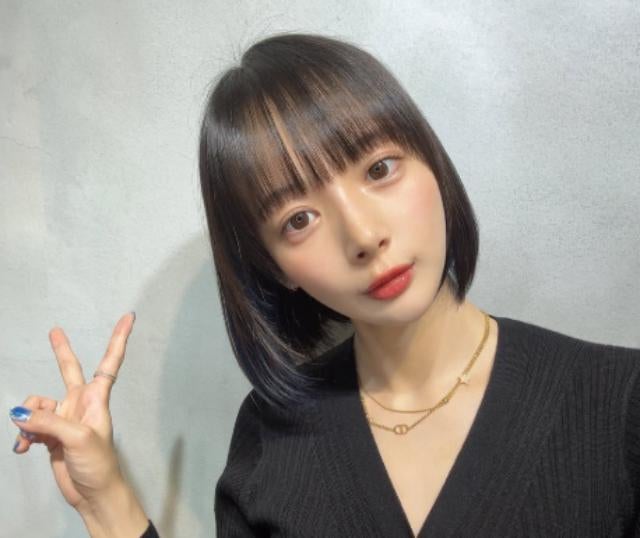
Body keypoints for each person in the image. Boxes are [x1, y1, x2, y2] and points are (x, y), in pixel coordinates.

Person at [8, 32, 640, 537]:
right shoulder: (271, 432)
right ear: (276, 267)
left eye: (380, 169)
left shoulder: (619, 402)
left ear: (434, 163)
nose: (362, 235)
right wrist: (106, 502)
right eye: (298, 219)